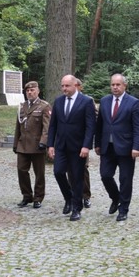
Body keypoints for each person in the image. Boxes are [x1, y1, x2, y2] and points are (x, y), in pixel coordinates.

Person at [95, 73, 139, 221]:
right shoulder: (104, 101)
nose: (115, 87)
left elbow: (138, 127)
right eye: (113, 85)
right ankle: (116, 198)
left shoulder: (133, 102)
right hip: (107, 147)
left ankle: (124, 209)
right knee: (105, 175)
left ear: (124, 86)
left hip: (126, 148)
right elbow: (100, 125)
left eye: (118, 85)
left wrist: (136, 147)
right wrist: (97, 144)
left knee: (125, 179)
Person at [47, 74, 96, 221]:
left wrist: (86, 146)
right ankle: (68, 197)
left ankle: (76, 208)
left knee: (76, 177)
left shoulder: (86, 102)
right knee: (58, 172)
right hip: (61, 145)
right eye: (62, 86)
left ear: (75, 85)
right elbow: (53, 125)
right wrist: (50, 144)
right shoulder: (58, 101)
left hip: (78, 146)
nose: (64, 88)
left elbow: (90, 126)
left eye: (67, 86)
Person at [12, 81, 49, 208]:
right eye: (27, 90)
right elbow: (18, 126)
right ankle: (27, 195)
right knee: (21, 170)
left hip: (37, 145)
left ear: (38, 91)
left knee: (39, 173)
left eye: (32, 90)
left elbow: (46, 127)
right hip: (23, 145)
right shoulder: (22, 106)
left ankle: (38, 197)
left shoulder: (44, 106)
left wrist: (43, 142)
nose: (29, 92)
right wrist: (15, 143)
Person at [75, 79, 93, 208]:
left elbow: (93, 119)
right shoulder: (63, 100)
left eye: (76, 86)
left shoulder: (87, 100)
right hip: (68, 141)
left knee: (82, 169)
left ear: (80, 87)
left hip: (82, 142)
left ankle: (86, 196)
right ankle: (74, 195)